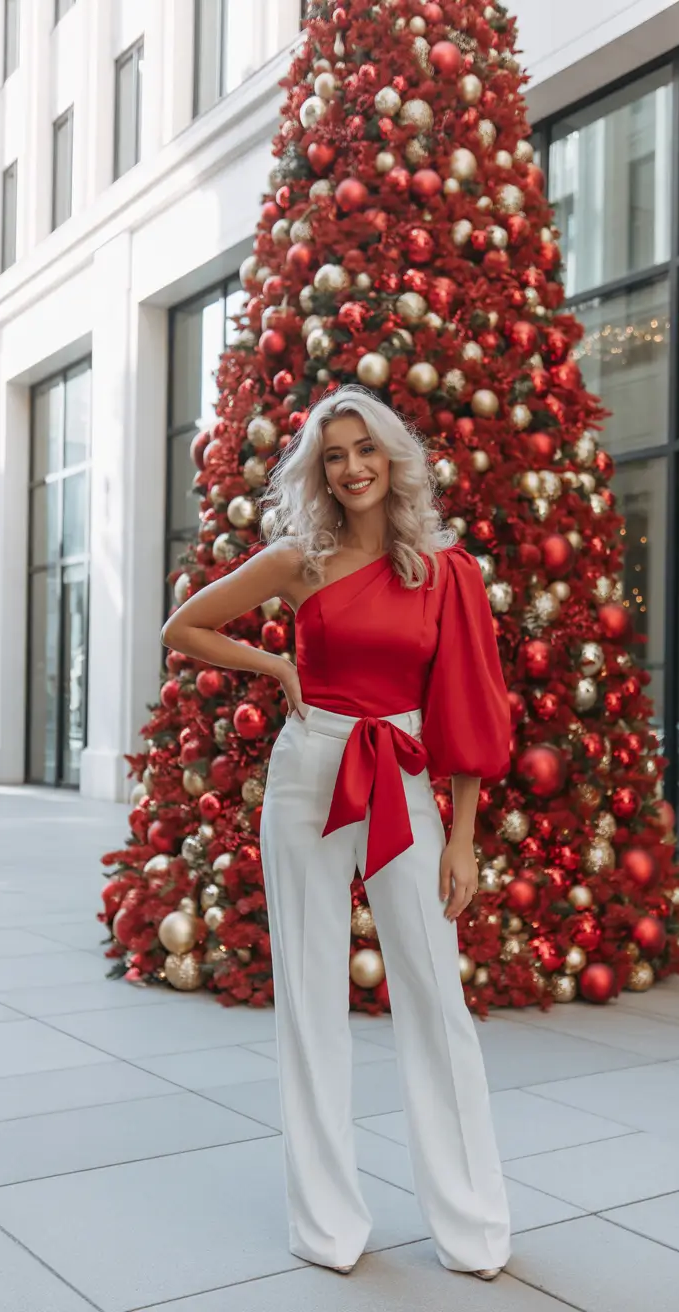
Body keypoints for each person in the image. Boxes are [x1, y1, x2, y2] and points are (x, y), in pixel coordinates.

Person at [161, 385, 512, 1281]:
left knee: (436, 996)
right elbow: (186, 625)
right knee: (311, 995)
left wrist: (463, 838)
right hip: (310, 769)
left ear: (393, 460)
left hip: (401, 774)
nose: (353, 467)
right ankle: (326, 1225)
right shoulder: (298, 558)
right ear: (320, 470)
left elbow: (466, 705)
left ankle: (472, 1226)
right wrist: (273, 661)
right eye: (334, 455)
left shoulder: (444, 570)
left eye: (367, 450)